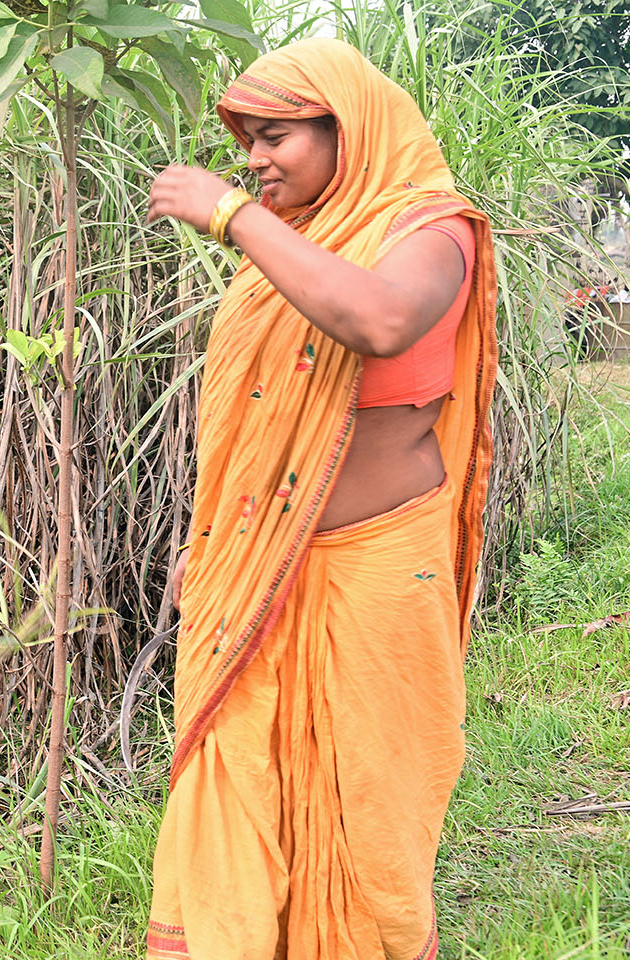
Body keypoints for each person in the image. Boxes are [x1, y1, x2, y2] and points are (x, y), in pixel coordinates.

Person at [142, 39, 496, 958]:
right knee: (240, 770)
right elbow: (257, 430)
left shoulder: (433, 231)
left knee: (369, 798)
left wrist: (233, 219)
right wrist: (213, 542)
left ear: (353, 129)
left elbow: (379, 321)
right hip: (261, 562)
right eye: (247, 143)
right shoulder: (296, 244)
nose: (254, 161)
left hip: (378, 567)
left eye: (276, 136)